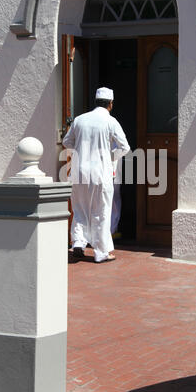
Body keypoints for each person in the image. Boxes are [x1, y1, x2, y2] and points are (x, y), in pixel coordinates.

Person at [62, 87, 130, 263]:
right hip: (100, 173)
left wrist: (81, 151)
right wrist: (109, 157)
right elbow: (124, 147)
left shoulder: (79, 120)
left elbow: (66, 142)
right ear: (110, 104)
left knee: (79, 208)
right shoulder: (111, 121)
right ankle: (101, 252)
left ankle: (78, 242)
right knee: (101, 211)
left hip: (79, 172)